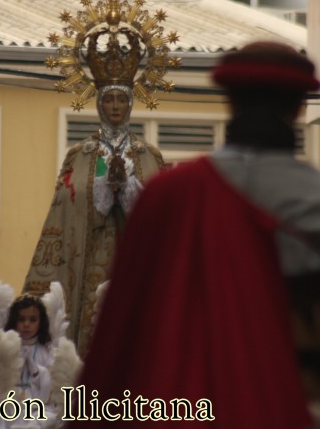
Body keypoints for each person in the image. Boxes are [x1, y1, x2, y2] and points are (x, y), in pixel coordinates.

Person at [67, 41, 320, 428]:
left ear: (229, 100)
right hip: (280, 405)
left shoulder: (169, 195)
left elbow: (119, 334)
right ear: (300, 106)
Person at [23, 0, 175, 356]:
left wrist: (130, 189)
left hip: (135, 258)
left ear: (131, 103)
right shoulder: (82, 154)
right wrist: (107, 187)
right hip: (88, 257)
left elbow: (157, 212)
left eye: (122, 101)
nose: (115, 107)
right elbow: (68, 209)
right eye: (108, 100)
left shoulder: (147, 155)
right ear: (98, 103)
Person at [4, 293, 56, 425]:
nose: (26, 324)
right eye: (21, 319)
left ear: (41, 322)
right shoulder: (6, 347)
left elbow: (50, 385)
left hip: (40, 406)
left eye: (32, 320)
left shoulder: (47, 350)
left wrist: (38, 371)